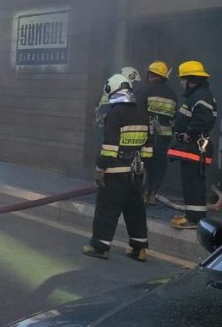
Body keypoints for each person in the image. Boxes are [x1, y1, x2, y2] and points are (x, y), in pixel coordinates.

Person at [83, 73, 152, 262]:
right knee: (135, 210)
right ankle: (139, 249)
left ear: (111, 91)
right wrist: (143, 167)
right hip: (136, 172)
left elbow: (110, 147)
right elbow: (147, 147)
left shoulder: (115, 114)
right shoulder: (142, 113)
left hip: (115, 172)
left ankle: (100, 247)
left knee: (107, 210)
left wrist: (100, 168)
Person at [167, 60, 217, 229]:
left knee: (193, 183)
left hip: (195, 147)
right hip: (191, 148)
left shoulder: (201, 96)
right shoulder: (197, 95)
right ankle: (191, 214)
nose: (181, 83)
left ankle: (194, 219)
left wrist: (189, 133)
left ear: (191, 80)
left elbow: (203, 120)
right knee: (190, 182)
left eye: (182, 79)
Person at [134, 61, 178, 205]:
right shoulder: (172, 95)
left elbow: (137, 113)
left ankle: (141, 194)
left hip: (147, 136)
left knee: (143, 164)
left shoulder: (143, 90)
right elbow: (173, 118)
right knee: (159, 165)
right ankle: (152, 193)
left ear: (151, 75)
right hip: (164, 137)